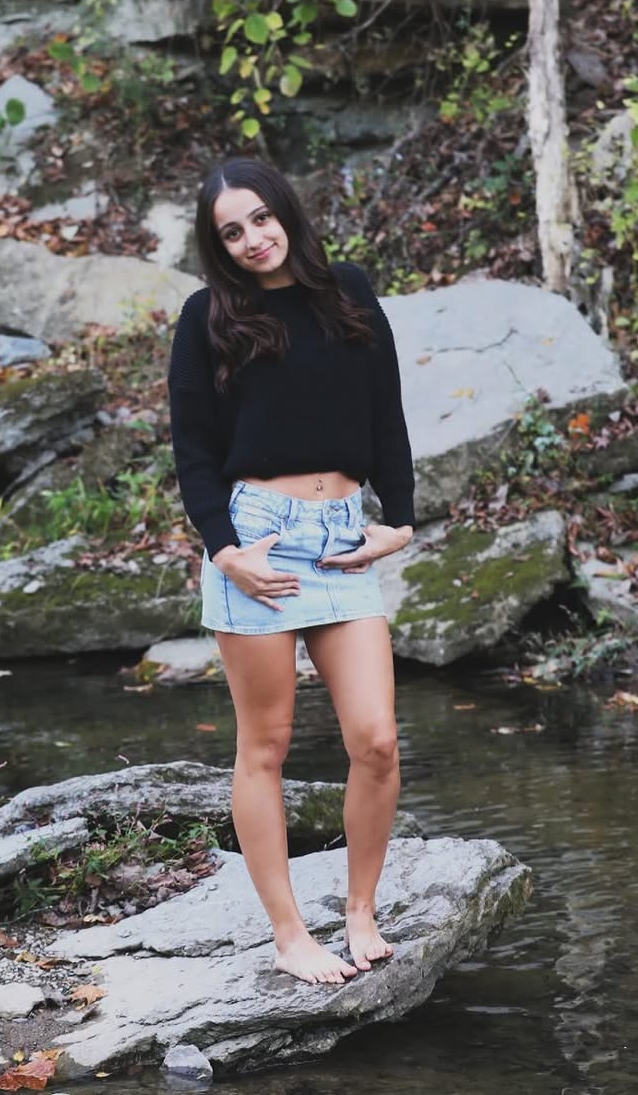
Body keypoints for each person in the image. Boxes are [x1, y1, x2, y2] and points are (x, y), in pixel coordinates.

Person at [167, 156, 416, 985]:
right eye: (231, 232)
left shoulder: (349, 292)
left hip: (343, 537)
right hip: (259, 542)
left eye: (260, 219)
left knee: (376, 740)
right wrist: (225, 550)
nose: (252, 240)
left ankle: (360, 910)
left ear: (286, 213)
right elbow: (193, 448)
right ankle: (288, 934)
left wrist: (399, 521)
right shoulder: (208, 317)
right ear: (218, 246)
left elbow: (387, 413)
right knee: (265, 747)